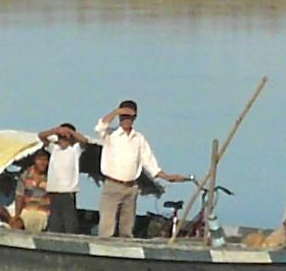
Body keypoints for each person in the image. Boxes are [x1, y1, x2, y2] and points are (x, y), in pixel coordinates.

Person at [92, 100, 189, 238]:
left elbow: (150, 163)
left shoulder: (139, 138)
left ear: (135, 118)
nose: (126, 120)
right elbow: (99, 127)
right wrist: (117, 111)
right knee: (107, 228)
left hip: (131, 187)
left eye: (130, 117)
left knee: (127, 229)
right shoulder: (110, 134)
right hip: (112, 186)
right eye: (124, 116)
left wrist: (167, 177)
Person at [40, 123, 86, 233]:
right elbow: (41, 136)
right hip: (54, 192)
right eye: (61, 137)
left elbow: (84, 141)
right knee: (55, 223)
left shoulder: (75, 149)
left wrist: (70, 132)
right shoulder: (54, 148)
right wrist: (56, 130)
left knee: (69, 224)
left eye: (65, 137)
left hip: (68, 192)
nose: (63, 139)